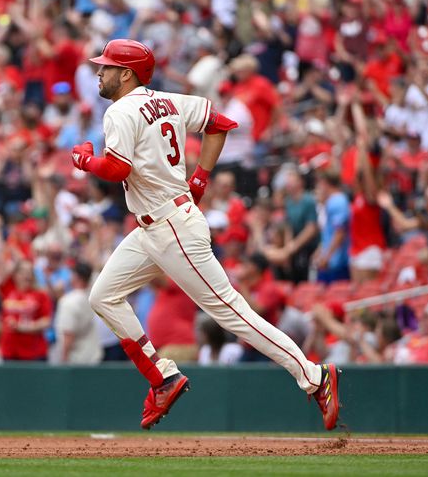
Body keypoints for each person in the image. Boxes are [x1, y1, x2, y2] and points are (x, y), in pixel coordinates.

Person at [72, 39, 340, 430]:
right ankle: (162, 377)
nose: (99, 71)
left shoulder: (120, 111)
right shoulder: (169, 100)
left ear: (126, 73)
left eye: (107, 65)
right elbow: (219, 123)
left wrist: (84, 160)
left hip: (171, 227)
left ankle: (314, 377)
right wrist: (199, 179)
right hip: (155, 225)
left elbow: (115, 169)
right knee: (104, 296)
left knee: (232, 313)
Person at [51, 262, 103, 365]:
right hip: (93, 357)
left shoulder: (68, 302)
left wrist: (63, 359)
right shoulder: (92, 297)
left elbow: (68, 334)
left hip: (74, 361)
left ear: (75, 276)